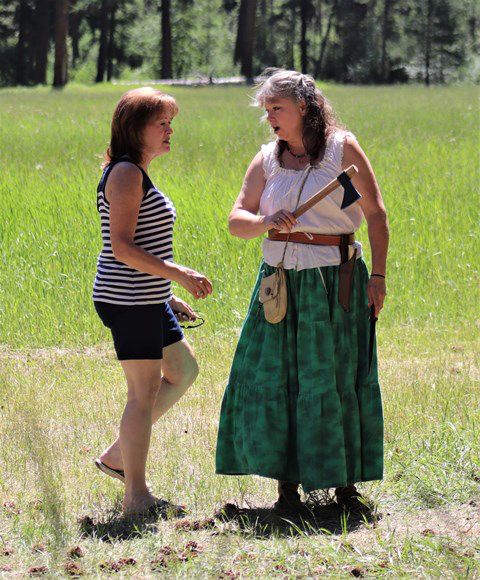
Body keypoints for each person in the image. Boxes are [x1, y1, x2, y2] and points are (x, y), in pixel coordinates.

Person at [216, 69, 388, 511]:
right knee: (275, 378)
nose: (269, 117)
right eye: (266, 109)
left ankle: (345, 486)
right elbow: (237, 221)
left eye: (277, 108)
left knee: (332, 377)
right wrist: (265, 223)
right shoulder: (266, 159)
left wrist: (378, 277)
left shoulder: (341, 149)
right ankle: (286, 489)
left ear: (305, 108)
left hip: (333, 281)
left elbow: (376, 216)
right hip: (277, 285)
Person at [92, 87, 212, 515]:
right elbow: (122, 248)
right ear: (135, 128)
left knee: (182, 371)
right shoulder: (125, 173)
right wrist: (179, 273)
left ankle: (116, 457)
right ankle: (136, 497)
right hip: (128, 299)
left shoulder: (135, 172)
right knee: (141, 396)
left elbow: (140, 245)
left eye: (170, 122)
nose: (170, 130)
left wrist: (167, 293)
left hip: (146, 295)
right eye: (161, 123)